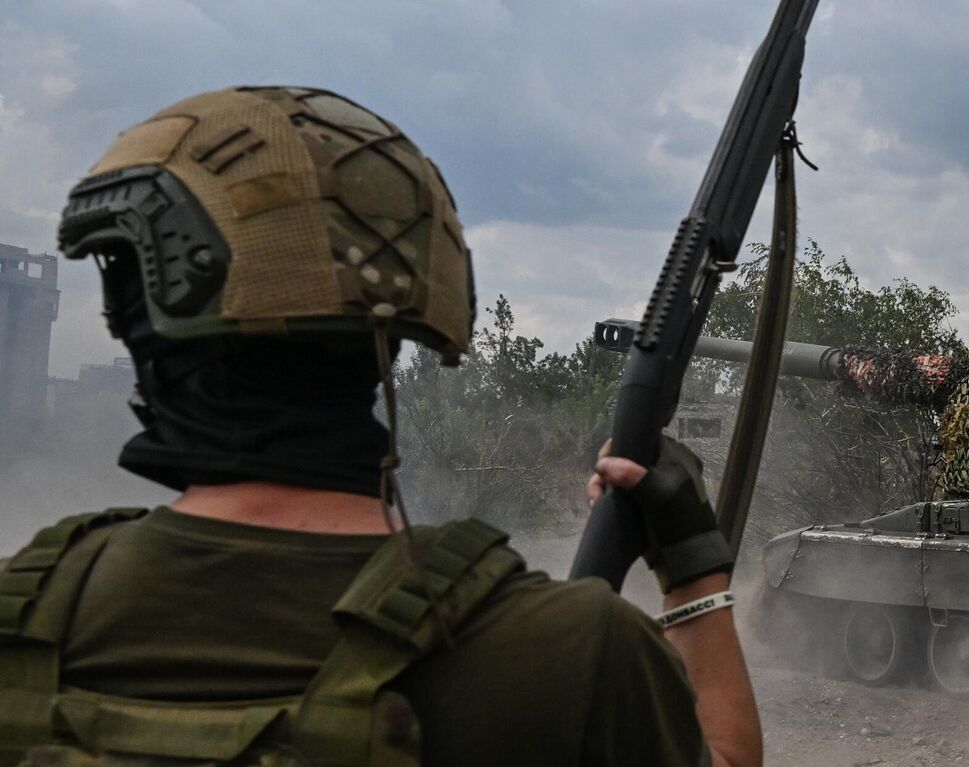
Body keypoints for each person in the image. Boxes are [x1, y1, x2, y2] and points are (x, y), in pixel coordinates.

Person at [0, 86, 759, 766]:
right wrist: (693, 572)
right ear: (402, 320)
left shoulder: (24, 616)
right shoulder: (568, 656)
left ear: (139, 321)